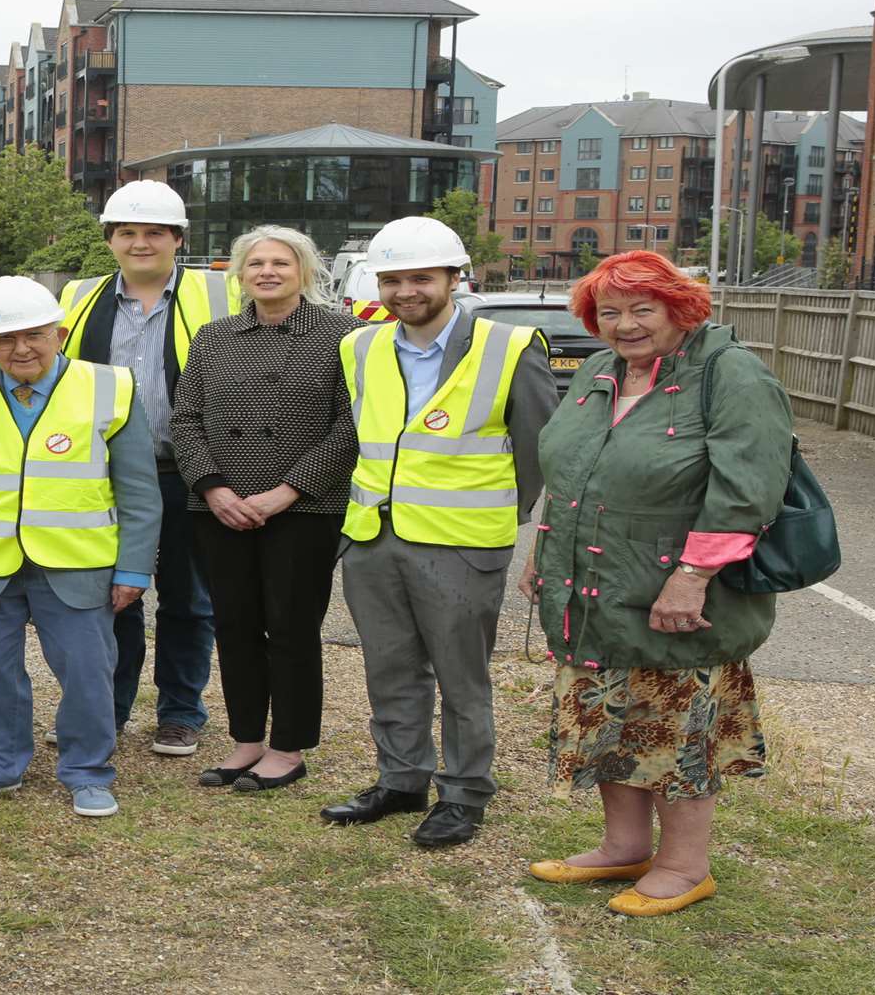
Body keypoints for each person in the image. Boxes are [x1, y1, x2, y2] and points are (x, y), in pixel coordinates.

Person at [520, 251, 790, 916]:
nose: (626, 325)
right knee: (611, 718)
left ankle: (684, 866)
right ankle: (624, 846)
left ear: (680, 307)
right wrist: (544, 547)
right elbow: (570, 466)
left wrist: (692, 577)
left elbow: (748, 489)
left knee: (676, 728)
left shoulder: (729, 375)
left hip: (677, 591)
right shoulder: (597, 370)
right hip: (591, 587)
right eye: (608, 312)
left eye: (644, 309)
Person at [323, 216, 557, 847]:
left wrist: (511, 518)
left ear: (455, 277)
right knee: (390, 670)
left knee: (461, 676)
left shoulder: (510, 346)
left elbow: (541, 450)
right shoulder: (360, 346)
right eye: (393, 279)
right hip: (373, 535)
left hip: (461, 544)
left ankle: (463, 793)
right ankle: (401, 780)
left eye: (421, 278)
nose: (406, 291)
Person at [0, 277, 160, 818]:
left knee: (86, 669)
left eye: (35, 335)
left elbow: (140, 492)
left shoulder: (110, 387)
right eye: (4, 339)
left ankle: (87, 771)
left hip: (79, 561)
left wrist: (134, 570)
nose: (22, 349)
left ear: (61, 331)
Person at [170, 226, 364, 793]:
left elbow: (352, 426)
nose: (268, 272)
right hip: (220, 509)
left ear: (305, 270)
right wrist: (212, 489)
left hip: (304, 509)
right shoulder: (213, 337)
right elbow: (186, 420)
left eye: (281, 262)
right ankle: (246, 740)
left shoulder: (345, 335)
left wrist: (288, 491)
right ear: (239, 273)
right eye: (255, 263)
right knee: (233, 625)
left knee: (291, 627)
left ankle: (288, 747)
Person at [57, 179, 231, 757]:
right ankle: (109, 707)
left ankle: (180, 712)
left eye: (154, 232)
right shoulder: (79, 297)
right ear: (109, 239)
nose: (140, 243)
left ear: (178, 238)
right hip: (102, 473)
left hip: (190, 470)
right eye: (127, 233)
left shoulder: (220, 292)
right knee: (114, 595)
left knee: (188, 599)